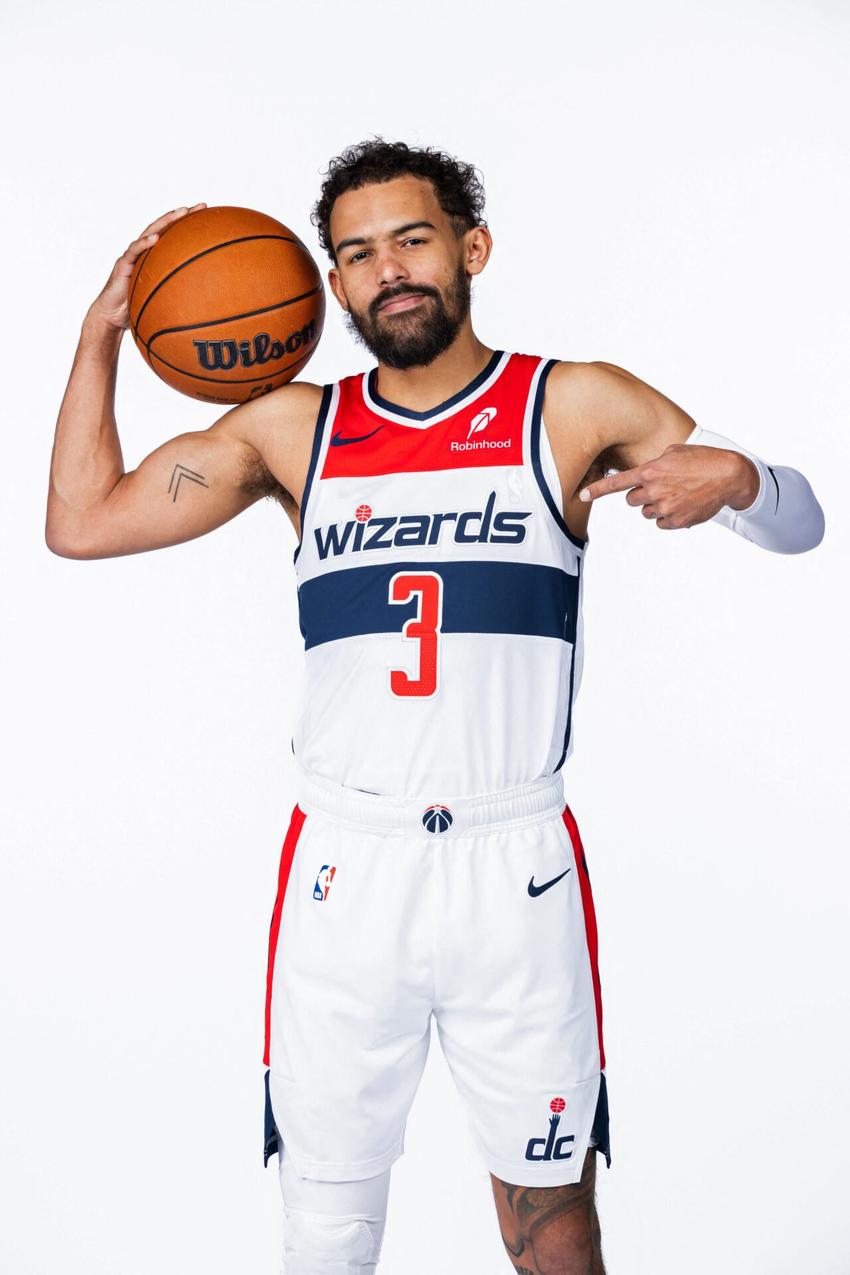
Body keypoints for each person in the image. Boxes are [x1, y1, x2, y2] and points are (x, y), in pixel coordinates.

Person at [46, 140, 824, 1275]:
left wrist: (741, 479)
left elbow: (799, 524)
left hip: (514, 863)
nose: (388, 270)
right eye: (356, 254)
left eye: (411, 240)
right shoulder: (292, 430)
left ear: (472, 248)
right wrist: (99, 332)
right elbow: (82, 522)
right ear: (332, 283)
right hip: (346, 866)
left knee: (551, 1215)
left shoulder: (570, 403)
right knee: (324, 1220)